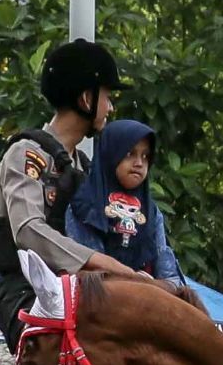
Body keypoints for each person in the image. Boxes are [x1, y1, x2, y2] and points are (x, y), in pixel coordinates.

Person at [0, 36, 149, 365]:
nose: (111, 106)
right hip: (24, 290)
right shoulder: (27, 155)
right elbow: (28, 232)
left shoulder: (86, 167)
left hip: (80, 289)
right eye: (107, 95)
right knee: (59, 352)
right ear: (86, 98)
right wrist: (104, 265)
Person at [65, 117, 187, 284]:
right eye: (130, 154)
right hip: (97, 298)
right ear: (111, 155)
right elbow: (90, 269)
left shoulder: (151, 212)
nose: (139, 163)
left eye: (145, 156)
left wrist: (157, 286)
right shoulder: (85, 205)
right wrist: (134, 280)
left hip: (148, 298)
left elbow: (170, 277)